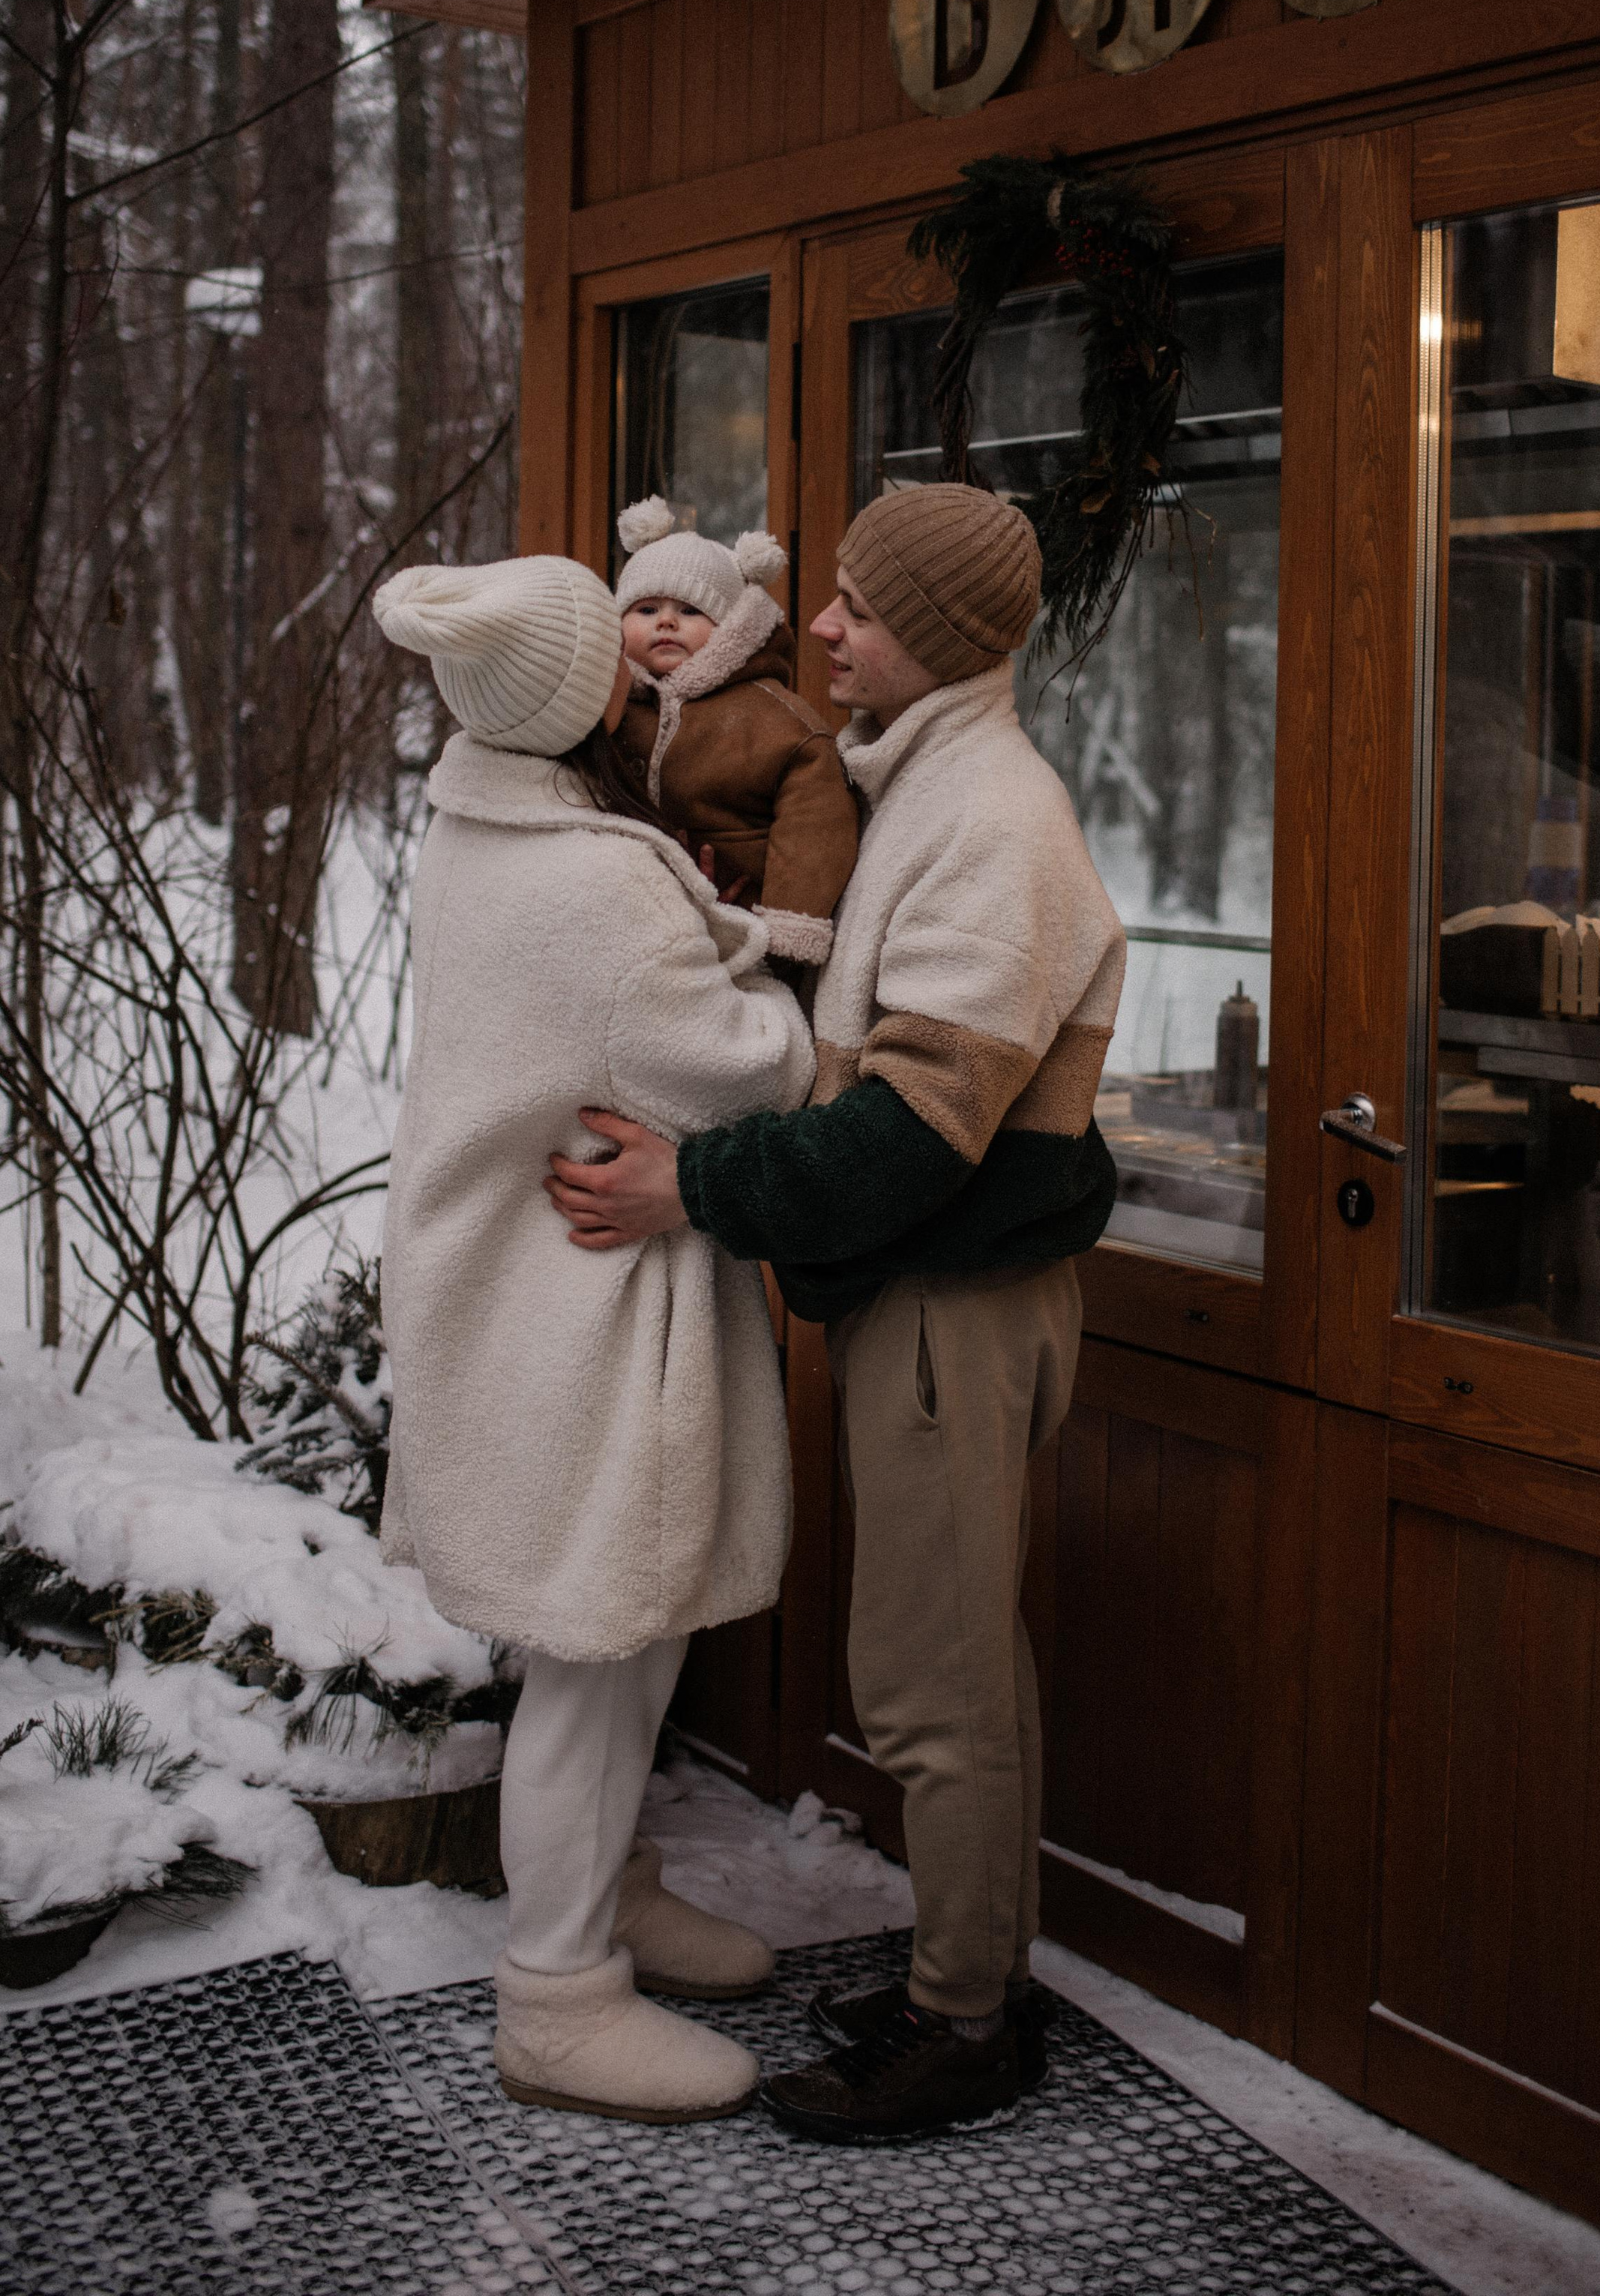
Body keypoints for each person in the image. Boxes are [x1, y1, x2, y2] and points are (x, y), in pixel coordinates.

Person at [544, 483, 1128, 2143]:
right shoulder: (913, 779)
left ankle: (963, 2026)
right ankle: (977, 1975)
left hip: (958, 1302)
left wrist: (696, 1186)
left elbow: (913, 1128)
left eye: (857, 607)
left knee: (934, 1687)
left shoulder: (990, 820)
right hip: (934, 1290)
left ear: (929, 636)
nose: (817, 625)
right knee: (957, 1666)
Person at [373, 552, 816, 2126]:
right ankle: (555, 1999)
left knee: (620, 1643)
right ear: (586, 701)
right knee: (596, 1659)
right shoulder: (594, 887)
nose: (651, 669)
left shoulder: (481, 819)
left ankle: (609, 1891)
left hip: (515, 1301)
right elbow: (747, 1067)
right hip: (572, 1318)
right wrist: (767, 962)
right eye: (622, 662)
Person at [612, 496, 859, 968]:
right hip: (626, 923)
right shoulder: (606, 706)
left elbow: (815, 830)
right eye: (646, 609)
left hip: (739, 929)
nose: (666, 621)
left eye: (690, 610)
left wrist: (784, 934)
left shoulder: (777, 721)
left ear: (730, 629)